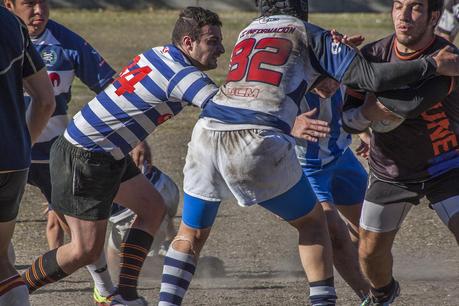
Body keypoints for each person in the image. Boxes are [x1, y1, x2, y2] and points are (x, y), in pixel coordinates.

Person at [157, 0, 459, 305]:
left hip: (209, 132)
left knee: (190, 234)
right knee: (317, 225)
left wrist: (333, 67)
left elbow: (289, 77)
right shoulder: (311, 33)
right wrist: (432, 65)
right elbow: (371, 79)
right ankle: (339, 299)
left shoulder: (249, 32)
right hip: (263, 139)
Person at [20, 6, 224, 306]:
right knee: (83, 251)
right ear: (188, 43)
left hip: (104, 150)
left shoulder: (160, 54)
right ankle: (14, 289)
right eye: (212, 41)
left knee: (152, 208)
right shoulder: (183, 74)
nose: (221, 48)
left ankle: (125, 296)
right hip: (85, 155)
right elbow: (228, 110)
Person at [340, 0, 459, 305]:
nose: (403, 16)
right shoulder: (373, 54)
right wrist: (365, 115)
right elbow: (347, 119)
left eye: (415, 7)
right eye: (397, 6)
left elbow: (409, 105)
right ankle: (383, 295)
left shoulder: (449, 57)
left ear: (434, 16)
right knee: (369, 254)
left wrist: (369, 108)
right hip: (392, 171)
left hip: (447, 165)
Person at [3, 0, 117, 251]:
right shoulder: (7, 36)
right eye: (29, 3)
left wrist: (135, 137)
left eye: (44, 2)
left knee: (77, 234)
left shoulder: (66, 42)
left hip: (50, 152)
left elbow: (112, 88)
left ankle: (102, 283)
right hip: (9, 152)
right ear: (8, 4)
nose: (39, 11)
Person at [293, 78, 370, 301]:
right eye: (323, 78)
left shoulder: (344, 64)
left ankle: (359, 271)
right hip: (305, 167)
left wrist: (365, 134)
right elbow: (259, 112)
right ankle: (370, 297)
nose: (331, 85)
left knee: (370, 230)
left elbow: (353, 104)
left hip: (342, 158)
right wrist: (289, 122)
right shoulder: (289, 76)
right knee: (333, 230)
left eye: (334, 78)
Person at [0, 6, 55, 306]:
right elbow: (45, 100)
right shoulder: (12, 23)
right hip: (13, 160)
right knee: (2, 262)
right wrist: (22, 145)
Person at [92, 165, 179, 305]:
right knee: (113, 260)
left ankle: (184, 266)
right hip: (160, 182)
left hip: (133, 207)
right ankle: (177, 252)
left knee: (122, 267)